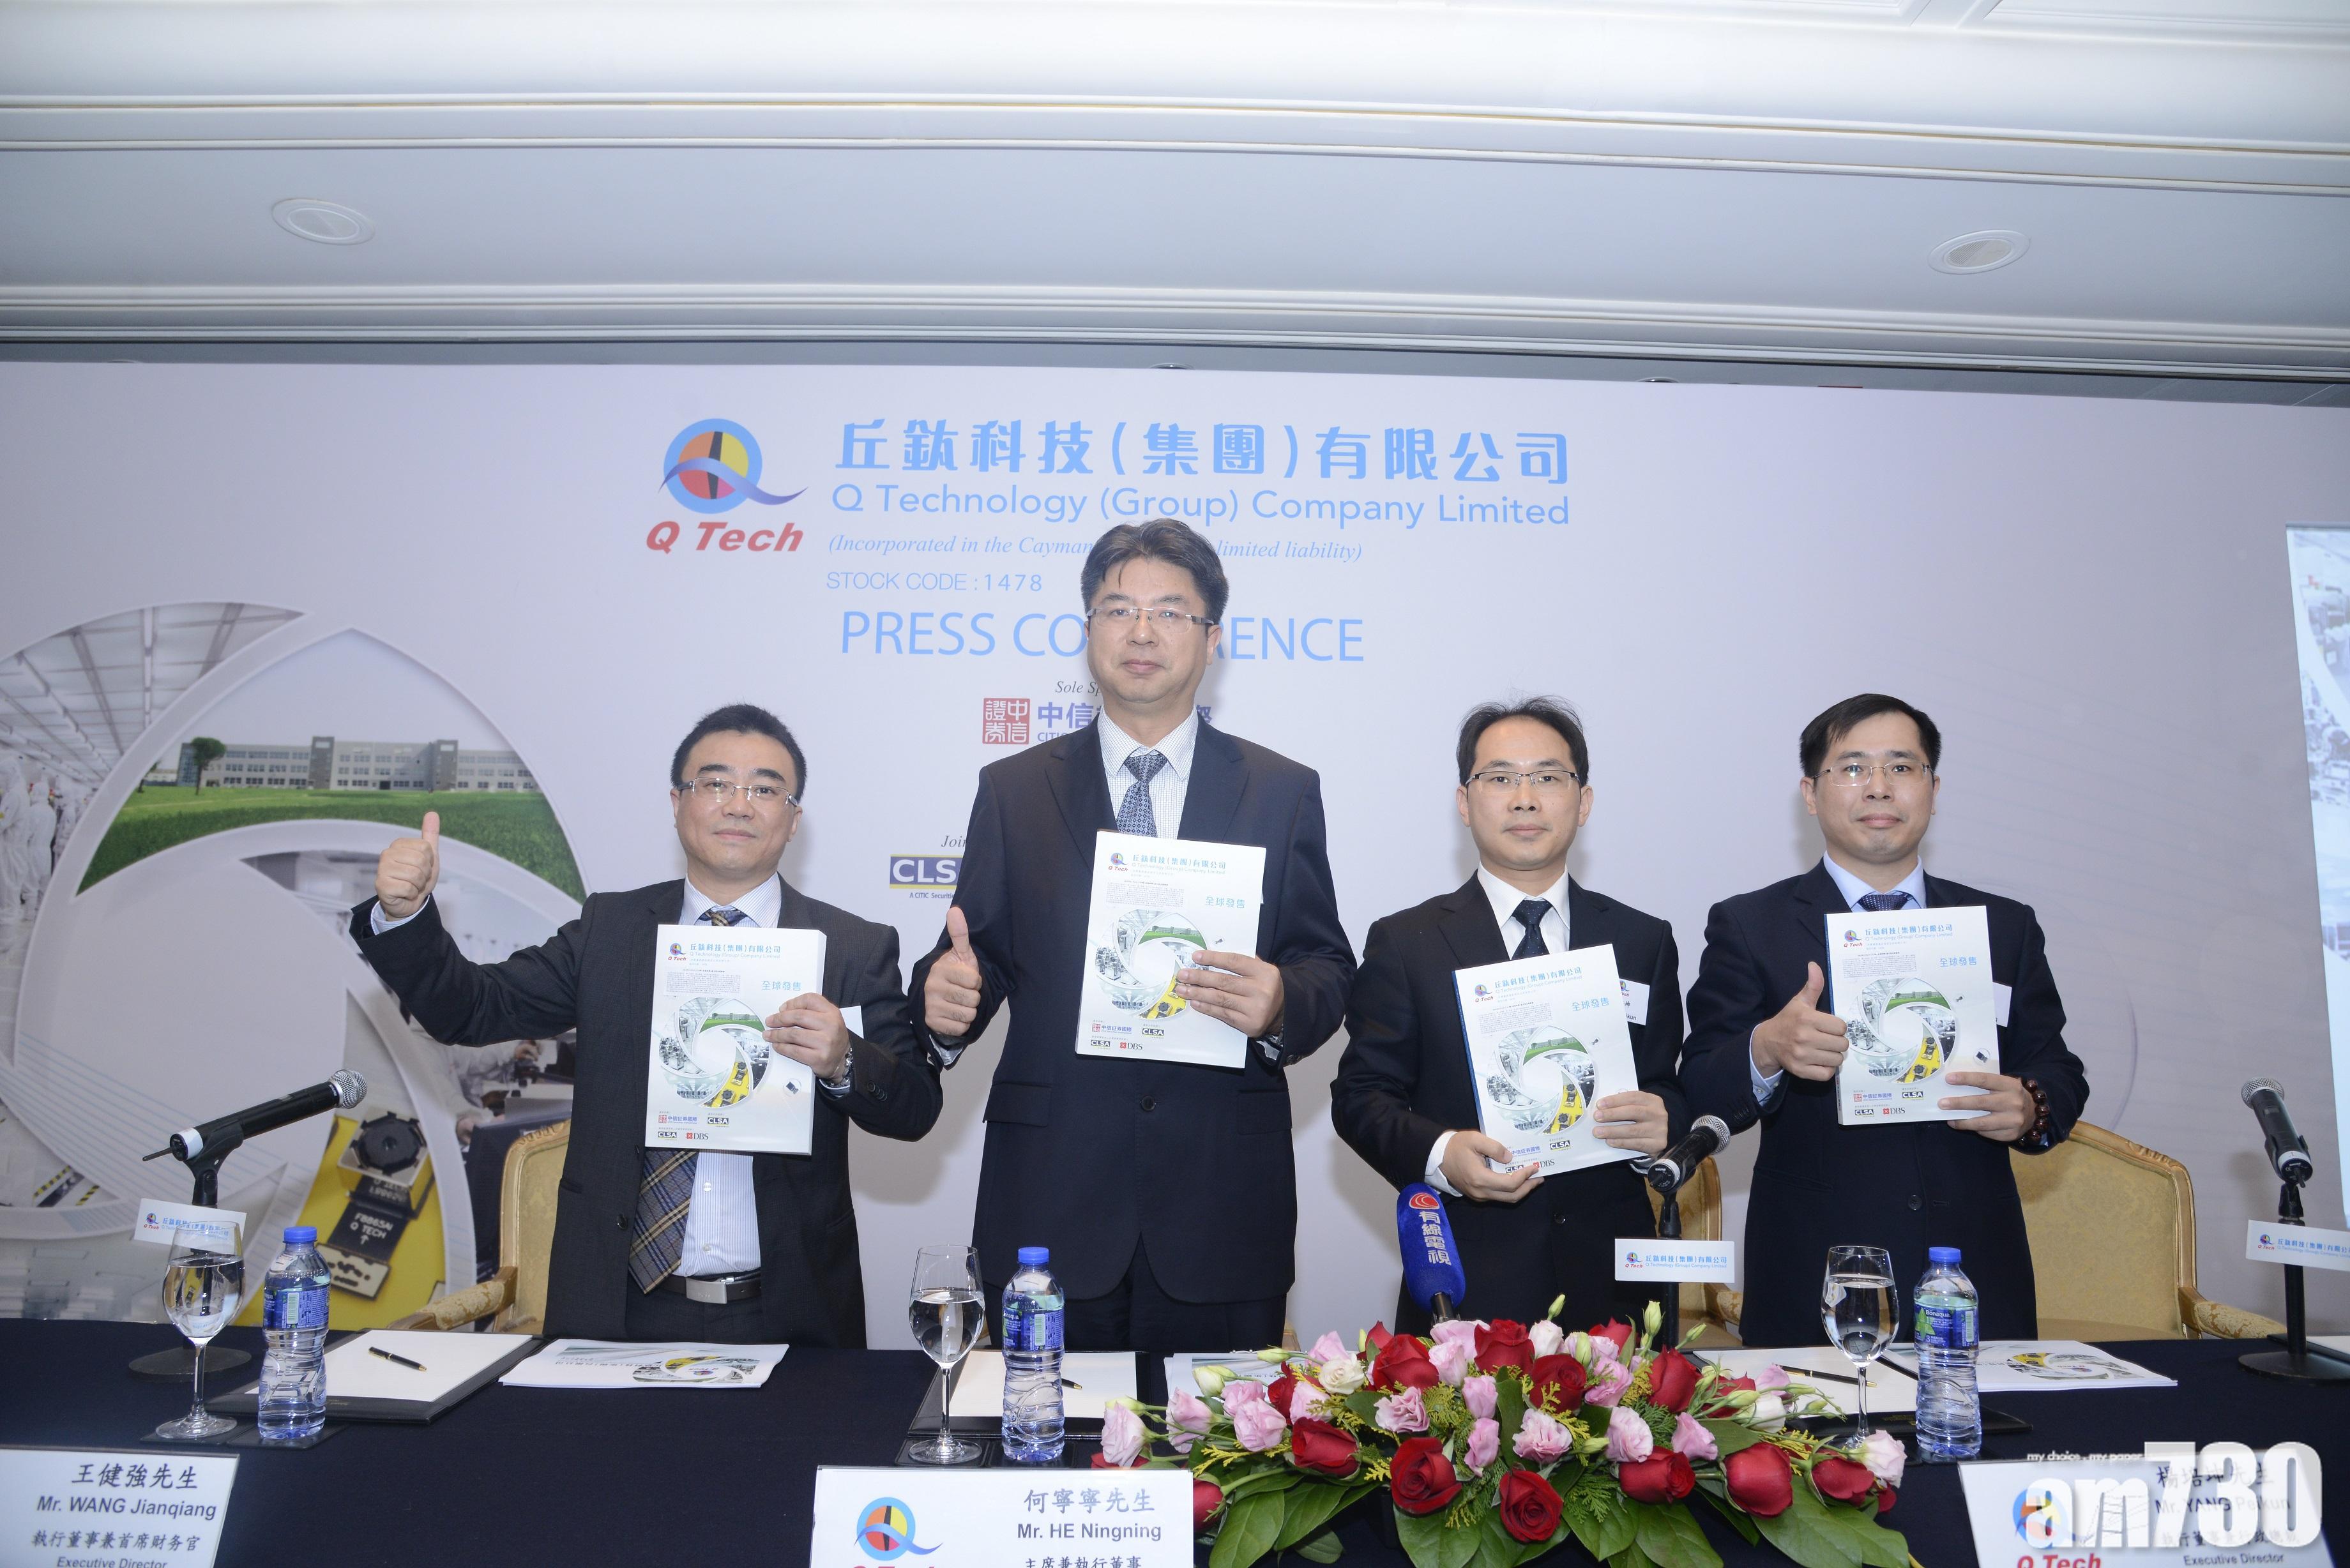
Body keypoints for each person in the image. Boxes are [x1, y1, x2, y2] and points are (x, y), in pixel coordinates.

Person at [352, 703, 939, 1346]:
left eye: (765, 789)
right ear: (677, 802)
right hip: (617, 1308)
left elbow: (913, 1108)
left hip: (788, 1311)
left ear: (793, 818)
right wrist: (404, 916)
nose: (738, 805)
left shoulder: (850, 947)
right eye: (715, 783)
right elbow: (470, 1007)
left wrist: (844, 1059)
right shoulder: (610, 931)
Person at [910, 518, 1356, 1353]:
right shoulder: (1013, 790)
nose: (1142, 632)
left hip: (1221, 1202)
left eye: (1170, 612)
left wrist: (1281, 1002)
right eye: (1118, 610)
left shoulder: (1281, 790)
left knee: (1218, 1439)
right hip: (1050, 1201)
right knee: (1044, 1433)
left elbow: (1326, 964)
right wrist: (945, 996)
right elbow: (975, 956)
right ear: (1088, 631)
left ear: (1212, 638)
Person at [1679, 693, 2088, 1346]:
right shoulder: (1750, 925)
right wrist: (1767, 1048)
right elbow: (1699, 1083)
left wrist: (2029, 1104)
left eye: (1901, 766)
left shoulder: (2002, 925)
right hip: (1815, 1269)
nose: (1878, 786)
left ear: (1932, 788)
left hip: (1973, 1266)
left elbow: (2056, 1066)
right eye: (1852, 768)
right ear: (1810, 794)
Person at [1333, 698, 1686, 1333]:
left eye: (1548, 777)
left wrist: (1662, 1122)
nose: (1524, 799)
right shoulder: (1406, 942)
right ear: (1464, 803)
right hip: (1466, 1287)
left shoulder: (1642, 940)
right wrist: (1442, 1153)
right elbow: (1361, 1098)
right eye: (1499, 778)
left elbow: (1666, 1085)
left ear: (1583, 801)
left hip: (1612, 1293)